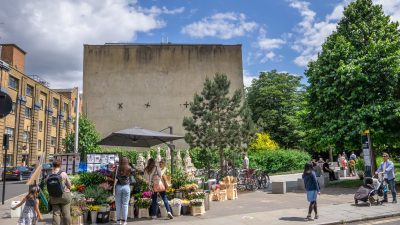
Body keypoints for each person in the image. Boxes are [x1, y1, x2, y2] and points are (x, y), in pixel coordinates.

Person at [48, 160, 72, 225]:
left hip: (54, 196)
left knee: (56, 213)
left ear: (53, 165)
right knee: (66, 213)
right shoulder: (63, 173)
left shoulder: (50, 174)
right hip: (64, 195)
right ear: (60, 165)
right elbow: (69, 185)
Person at [114, 157, 134, 225]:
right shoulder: (129, 168)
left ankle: (118, 221)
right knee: (125, 205)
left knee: (118, 204)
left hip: (119, 186)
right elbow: (134, 174)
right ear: (127, 161)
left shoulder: (118, 168)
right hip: (126, 187)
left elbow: (115, 177)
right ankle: (124, 221)